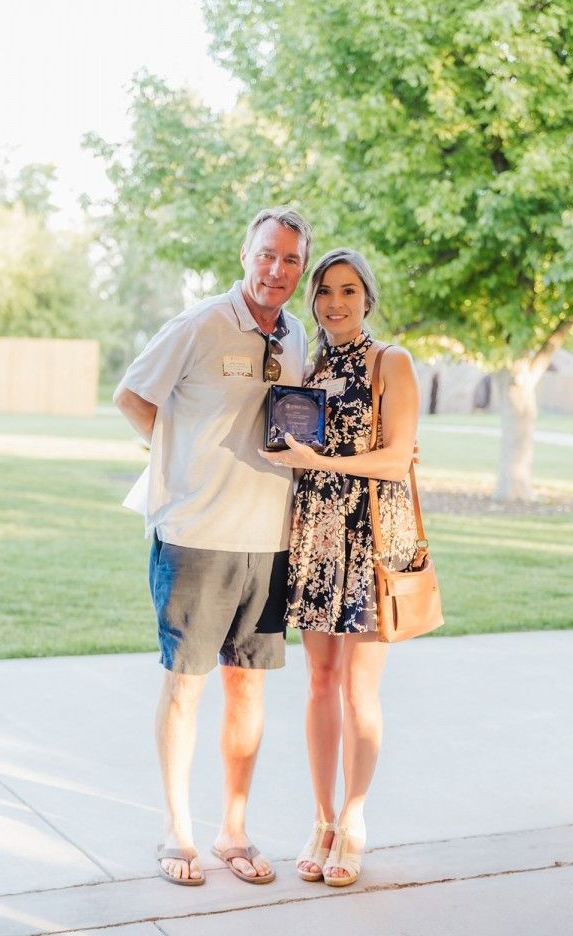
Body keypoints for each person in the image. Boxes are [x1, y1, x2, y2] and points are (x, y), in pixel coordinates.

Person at [114, 208, 312, 886]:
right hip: (196, 537)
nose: (276, 270)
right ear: (245, 253)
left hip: (270, 542)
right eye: (267, 255)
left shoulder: (298, 335)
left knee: (248, 689)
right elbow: (131, 394)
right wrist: (178, 456)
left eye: (290, 259)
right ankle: (178, 831)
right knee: (186, 687)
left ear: (301, 267)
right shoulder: (198, 324)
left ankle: (234, 831)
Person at [258, 248, 420, 887]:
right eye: (324, 291)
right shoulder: (309, 365)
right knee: (320, 682)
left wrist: (322, 463)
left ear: (367, 299)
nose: (334, 303)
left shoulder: (392, 362)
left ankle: (354, 819)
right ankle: (321, 819)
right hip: (318, 538)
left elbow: (397, 458)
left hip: (373, 537)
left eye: (348, 291)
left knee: (360, 689)